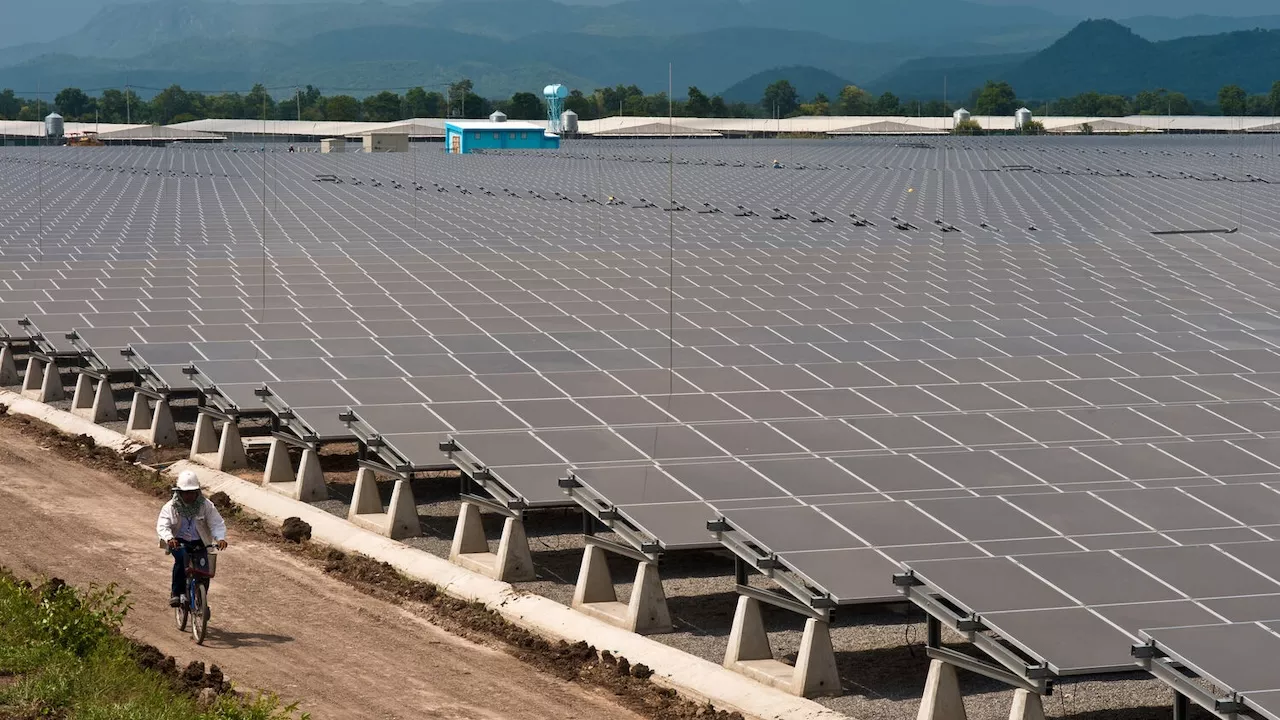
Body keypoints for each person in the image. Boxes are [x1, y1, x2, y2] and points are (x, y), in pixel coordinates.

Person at [157, 470, 227, 608]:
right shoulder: (171, 507)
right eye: (185, 492)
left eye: (192, 492)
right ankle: (176, 593)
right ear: (179, 492)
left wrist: (220, 538)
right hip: (178, 542)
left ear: (197, 492)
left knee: (204, 571)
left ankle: (201, 599)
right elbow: (163, 525)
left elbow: (216, 523)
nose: (189, 496)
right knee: (181, 559)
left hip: (199, 542)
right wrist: (169, 538)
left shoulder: (205, 505)